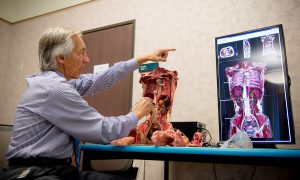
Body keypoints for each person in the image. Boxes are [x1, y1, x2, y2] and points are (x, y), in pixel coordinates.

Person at [0, 27, 176, 180]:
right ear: (61, 58)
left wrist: (142, 59)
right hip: (31, 172)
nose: (87, 60)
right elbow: (102, 130)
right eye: (81, 52)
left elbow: (100, 79)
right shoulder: (54, 88)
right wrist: (136, 114)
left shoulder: (57, 83)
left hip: (58, 169)